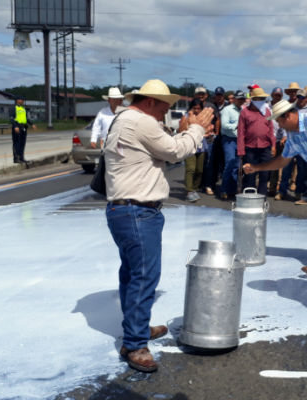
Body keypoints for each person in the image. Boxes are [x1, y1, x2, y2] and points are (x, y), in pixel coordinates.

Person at [104, 79, 213, 372]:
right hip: (138, 212)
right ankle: (136, 342)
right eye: (165, 107)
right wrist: (197, 128)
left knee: (131, 275)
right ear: (151, 102)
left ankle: (135, 329)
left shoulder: (123, 119)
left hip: (124, 211)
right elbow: (176, 152)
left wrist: (189, 132)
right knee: (143, 277)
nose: (166, 113)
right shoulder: (141, 122)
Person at [243, 99, 307, 278]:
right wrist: (257, 168)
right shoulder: (292, 136)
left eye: (280, 120)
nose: (279, 124)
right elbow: (283, 161)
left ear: (289, 115)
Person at [237, 87, 275, 195]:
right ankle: (249, 198)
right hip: (250, 148)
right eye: (259, 98)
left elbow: (271, 130)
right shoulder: (245, 112)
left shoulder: (267, 112)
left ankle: (262, 198)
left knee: (264, 175)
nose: (261, 101)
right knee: (250, 175)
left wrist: (273, 146)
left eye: (263, 98)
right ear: (254, 99)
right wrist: (241, 151)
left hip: (265, 148)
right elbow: (240, 132)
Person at [193, 87, 220, 195]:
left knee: (209, 163)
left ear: (206, 95)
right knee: (198, 164)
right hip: (196, 138)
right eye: (198, 94)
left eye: (202, 94)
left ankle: (208, 185)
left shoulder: (211, 106)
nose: (200, 96)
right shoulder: (193, 105)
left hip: (209, 138)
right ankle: (197, 185)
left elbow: (217, 119)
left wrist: (217, 132)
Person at [220, 90, 246, 200]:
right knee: (229, 164)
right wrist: (237, 125)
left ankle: (233, 190)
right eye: (239, 99)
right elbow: (224, 125)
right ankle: (224, 190)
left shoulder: (244, 110)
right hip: (229, 140)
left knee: (237, 167)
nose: (241, 101)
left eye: (243, 99)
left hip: (240, 140)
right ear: (234, 99)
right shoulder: (227, 109)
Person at [184, 99, 207, 202]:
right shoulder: (186, 117)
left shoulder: (203, 119)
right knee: (191, 169)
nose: (197, 110)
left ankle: (194, 188)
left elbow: (209, 129)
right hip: (189, 146)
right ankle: (189, 191)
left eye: (199, 108)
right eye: (195, 108)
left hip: (201, 147)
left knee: (199, 170)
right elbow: (182, 130)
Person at [9, 95, 37, 164]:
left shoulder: (23, 108)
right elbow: (11, 118)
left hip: (23, 127)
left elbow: (26, 118)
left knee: (22, 143)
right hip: (17, 127)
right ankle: (16, 159)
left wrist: (32, 124)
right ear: (17, 100)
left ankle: (22, 158)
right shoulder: (13, 107)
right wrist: (15, 126)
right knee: (17, 143)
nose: (23, 101)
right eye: (22, 99)